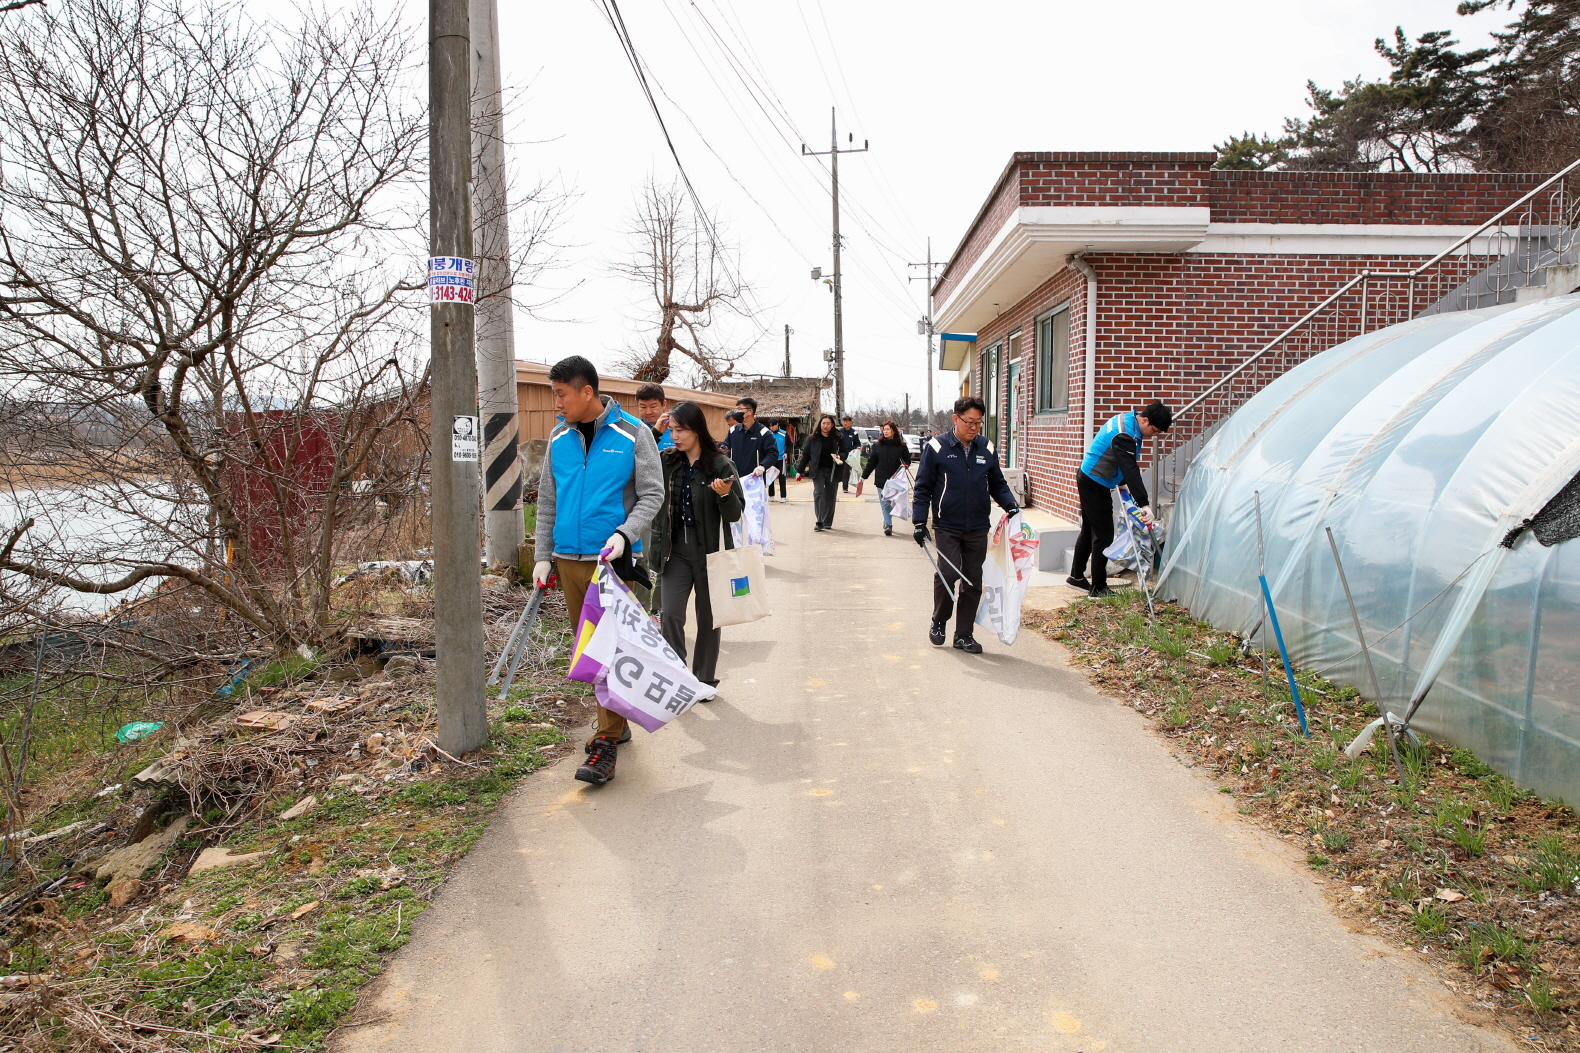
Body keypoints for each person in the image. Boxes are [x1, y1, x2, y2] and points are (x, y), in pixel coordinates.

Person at [532, 355, 663, 786]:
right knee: (590, 650)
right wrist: (543, 556)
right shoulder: (558, 437)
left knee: (608, 650)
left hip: (611, 562)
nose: (557, 404)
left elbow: (652, 494)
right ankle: (617, 721)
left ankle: (605, 744)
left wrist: (626, 534)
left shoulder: (633, 433)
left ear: (586, 391)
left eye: (561, 395)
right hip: (569, 559)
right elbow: (548, 501)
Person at [911, 396, 1019, 654]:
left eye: (978, 423)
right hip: (947, 524)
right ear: (955, 419)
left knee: (972, 580)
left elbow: (997, 483)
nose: (973, 427)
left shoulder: (986, 448)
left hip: (978, 526)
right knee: (948, 574)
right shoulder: (936, 447)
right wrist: (918, 521)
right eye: (969, 422)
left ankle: (964, 634)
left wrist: (1010, 504)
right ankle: (939, 621)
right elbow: (923, 487)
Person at [648, 402, 744, 690]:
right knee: (671, 614)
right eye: (672, 430)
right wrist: (656, 431)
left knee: (708, 620)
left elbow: (735, 514)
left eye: (681, 430)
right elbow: (637, 462)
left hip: (709, 554)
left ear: (697, 430)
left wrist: (725, 496)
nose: (675, 436)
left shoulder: (720, 465)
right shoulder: (667, 461)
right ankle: (678, 676)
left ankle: (704, 679)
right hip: (674, 551)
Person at [1069, 400, 1172, 598]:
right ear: (1146, 420)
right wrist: (1144, 504)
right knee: (1104, 536)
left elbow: (1121, 461)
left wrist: (1122, 483)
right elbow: (1130, 469)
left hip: (1090, 476)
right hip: (1095, 482)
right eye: (1156, 430)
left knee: (1090, 530)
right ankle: (1098, 588)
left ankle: (1076, 576)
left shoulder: (1128, 420)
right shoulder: (1126, 435)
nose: (1154, 435)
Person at [856, 420, 911, 536]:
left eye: (888, 429)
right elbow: (871, 463)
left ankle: (886, 520)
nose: (885, 432)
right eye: (884, 429)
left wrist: (904, 465)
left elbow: (907, 460)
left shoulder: (901, 446)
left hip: (895, 479)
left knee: (891, 502)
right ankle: (888, 524)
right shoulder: (877, 446)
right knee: (885, 502)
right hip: (881, 479)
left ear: (894, 431)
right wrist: (864, 476)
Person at [798, 414, 845, 532]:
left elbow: (845, 452)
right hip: (818, 470)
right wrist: (799, 470)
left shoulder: (838, 438)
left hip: (833, 470)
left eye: (828, 423)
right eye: (823, 423)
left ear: (832, 425)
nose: (825, 426)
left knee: (830, 496)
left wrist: (840, 456)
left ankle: (827, 522)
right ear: (820, 424)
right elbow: (806, 455)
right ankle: (819, 521)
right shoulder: (813, 438)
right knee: (818, 493)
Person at [724, 397, 779, 480]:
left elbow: (773, 453)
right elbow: (724, 448)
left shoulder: (763, 432)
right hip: (735, 479)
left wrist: (762, 466)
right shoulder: (733, 431)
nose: (737, 412)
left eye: (739, 409)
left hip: (755, 479)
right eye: (736, 409)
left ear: (750, 411)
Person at [633, 382, 674, 450]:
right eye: (643, 407)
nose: (648, 412)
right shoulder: (634, 429)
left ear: (663, 404)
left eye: (653, 406)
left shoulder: (675, 429)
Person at [767, 420, 789, 502]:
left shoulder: (784, 434)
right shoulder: (768, 434)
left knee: (782, 478)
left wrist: (786, 452)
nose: (771, 428)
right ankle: (771, 496)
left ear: (777, 424)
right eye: (770, 426)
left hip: (781, 459)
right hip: (771, 459)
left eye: (773, 426)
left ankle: (783, 497)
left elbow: (789, 444)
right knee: (770, 477)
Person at [837, 415, 860, 492]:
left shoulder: (854, 433)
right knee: (838, 470)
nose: (845, 423)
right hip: (839, 454)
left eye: (847, 421)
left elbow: (857, 442)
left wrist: (858, 447)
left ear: (850, 422)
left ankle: (845, 487)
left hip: (849, 455)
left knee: (846, 471)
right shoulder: (839, 432)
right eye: (844, 421)